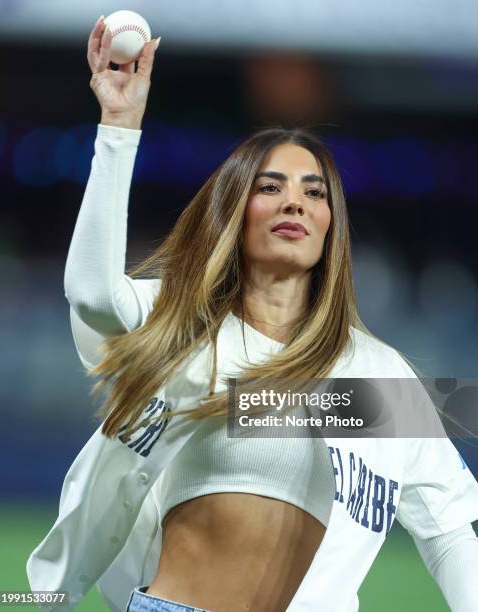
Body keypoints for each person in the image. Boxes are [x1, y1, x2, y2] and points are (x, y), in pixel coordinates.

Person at [26, 16, 478, 612]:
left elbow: (447, 531)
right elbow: (92, 297)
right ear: (234, 215)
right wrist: (118, 127)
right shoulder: (181, 325)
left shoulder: (375, 375)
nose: (295, 199)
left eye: (315, 192)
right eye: (270, 187)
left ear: (330, 228)